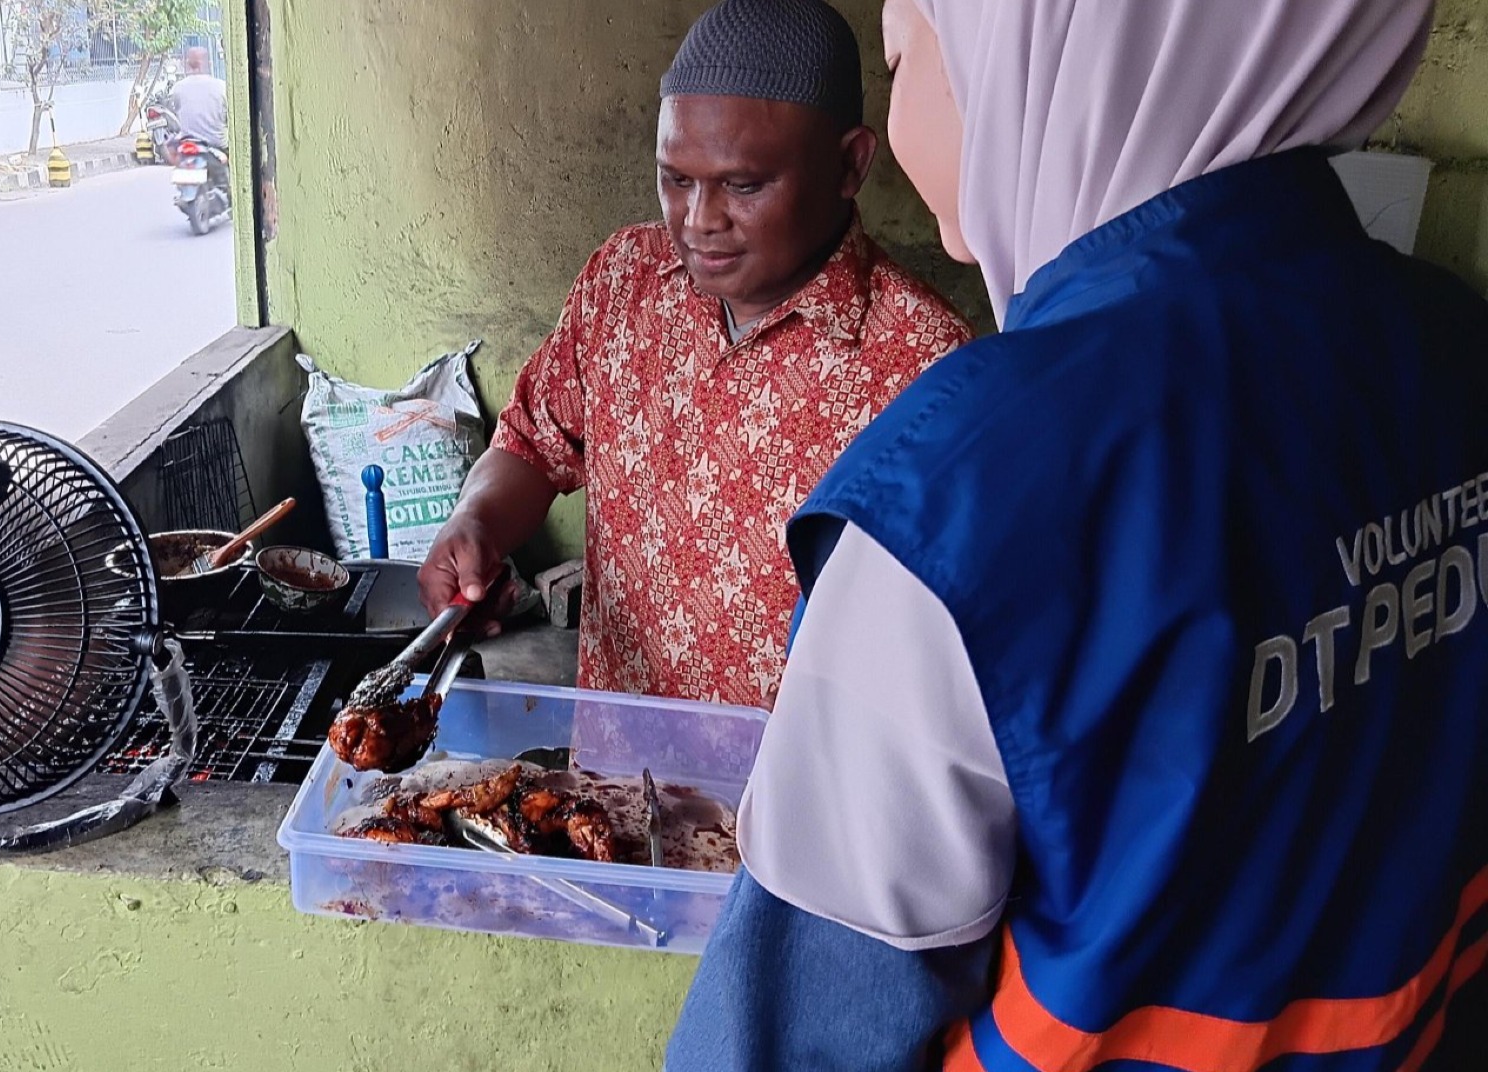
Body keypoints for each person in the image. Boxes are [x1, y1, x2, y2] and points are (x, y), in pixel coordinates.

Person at [670, 0, 1488, 1068]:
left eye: (909, 57)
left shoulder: (955, 505)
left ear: (1023, 59)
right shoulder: (1451, 342)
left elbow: (791, 1040)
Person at [419, 0, 971, 712]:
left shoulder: (925, 366)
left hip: (792, 805)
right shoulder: (624, 283)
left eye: (744, 185)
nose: (699, 220)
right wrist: (478, 524)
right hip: (613, 786)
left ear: (849, 164)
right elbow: (532, 444)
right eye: (677, 179)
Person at [171, 46, 228, 152]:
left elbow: (176, 113)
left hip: (188, 149)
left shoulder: (177, 88)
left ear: (186, 64)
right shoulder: (222, 87)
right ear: (210, 64)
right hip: (218, 148)